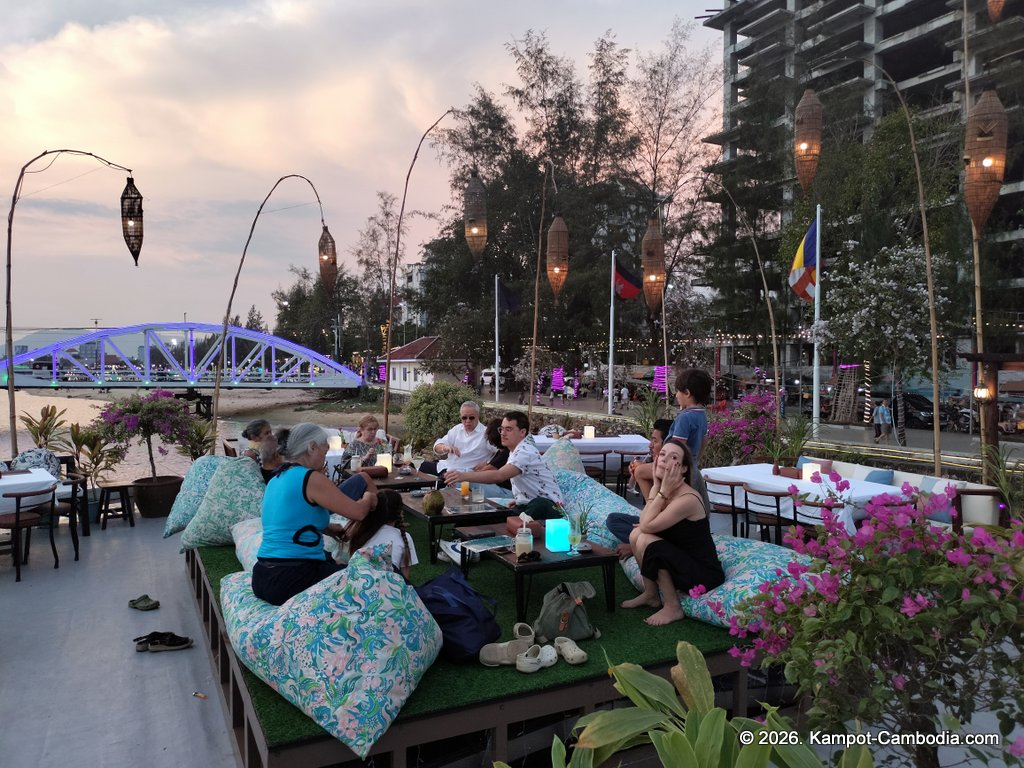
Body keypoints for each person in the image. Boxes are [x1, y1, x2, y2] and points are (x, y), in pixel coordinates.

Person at [252, 423, 378, 606]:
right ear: (312, 447)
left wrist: (326, 528)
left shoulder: (277, 478)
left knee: (335, 564)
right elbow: (358, 512)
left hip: (263, 575)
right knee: (374, 580)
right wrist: (369, 497)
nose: (324, 458)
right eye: (324, 452)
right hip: (291, 577)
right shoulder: (309, 477)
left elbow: (288, 520)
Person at [621, 439, 725, 626]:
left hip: (702, 573)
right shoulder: (665, 490)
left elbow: (645, 526)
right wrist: (656, 487)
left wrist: (660, 492)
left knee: (645, 538)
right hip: (680, 561)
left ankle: (673, 607)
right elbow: (643, 522)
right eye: (662, 455)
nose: (663, 460)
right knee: (634, 535)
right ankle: (651, 594)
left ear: (683, 469)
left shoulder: (687, 499)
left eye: (673, 457)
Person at [445, 410, 563, 518]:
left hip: (549, 508)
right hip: (528, 505)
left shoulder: (525, 452)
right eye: (501, 429)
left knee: (533, 507)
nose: (503, 433)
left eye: (509, 429)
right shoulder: (514, 450)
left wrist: (463, 476)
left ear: (522, 432)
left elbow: (499, 476)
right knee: (488, 517)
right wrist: (520, 500)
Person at [606, 418, 672, 558]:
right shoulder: (654, 466)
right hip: (655, 522)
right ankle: (644, 541)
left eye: (655, 441)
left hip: (670, 527)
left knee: (643, 529)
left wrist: (640, 474)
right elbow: (650, 506)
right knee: (613, 520)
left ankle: (641, 545)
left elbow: (659, 517)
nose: (650, 445)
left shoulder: (672, 472)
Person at [342, 490, 417, 580]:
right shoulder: (405, 537)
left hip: (354, 586)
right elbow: (405, 578)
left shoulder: (361, 531)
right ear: (400, 512)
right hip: (386, 589)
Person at [432, 401, 493, 474]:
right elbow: (437, 446)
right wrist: (446, 448)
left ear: (478, 417)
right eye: (464, 418)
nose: (468, 421)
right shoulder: (457, 429)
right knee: (416, 468)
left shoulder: (486, 434)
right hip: (445, 466)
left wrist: (488, 463)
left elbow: (502, 453)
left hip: (465, 474)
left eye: (471, 418)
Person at [468, 417, 514, 498]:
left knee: (467, 481)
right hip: (503, 489)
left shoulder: (505, 454)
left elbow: (483, 473)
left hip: (506, 493)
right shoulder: (502, 452)